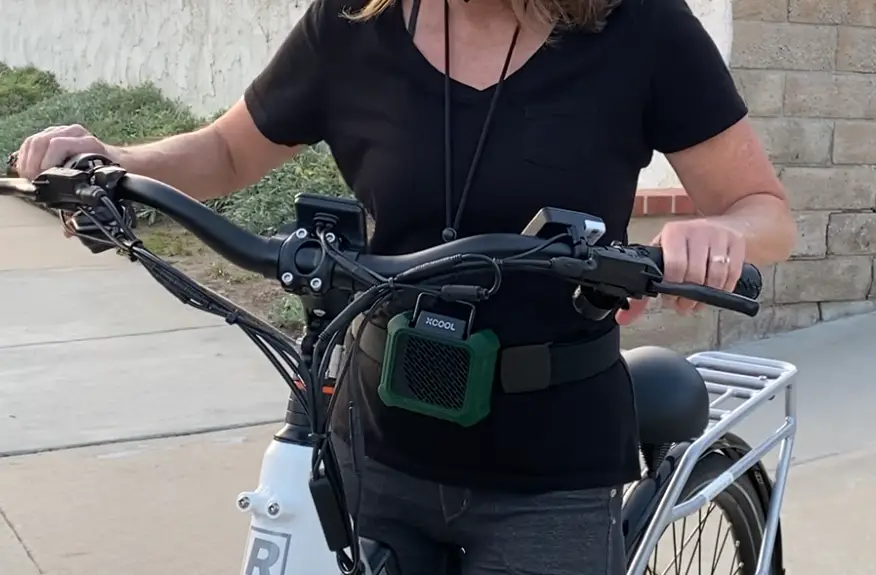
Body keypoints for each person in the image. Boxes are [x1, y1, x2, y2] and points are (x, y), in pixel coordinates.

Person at [14, 0, 796, 572]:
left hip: (549, 468)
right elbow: (226, 151)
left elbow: (767, 211)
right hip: (373, 448)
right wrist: (112, 161)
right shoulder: (353, 26)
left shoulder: (641, 30)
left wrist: (722, 235)